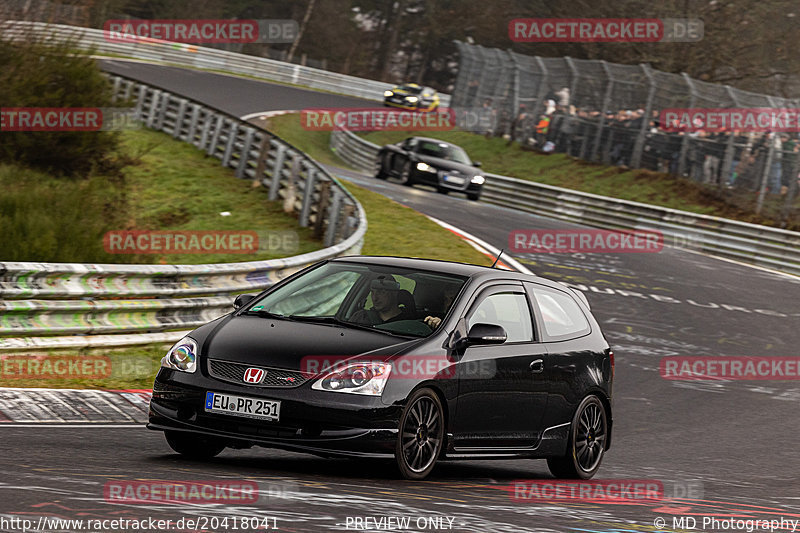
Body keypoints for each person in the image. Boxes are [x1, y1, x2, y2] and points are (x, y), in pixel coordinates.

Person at [350, 277, 415, 326]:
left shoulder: (409, 323)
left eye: (382, 292)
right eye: (372, 292)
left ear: (395, 293)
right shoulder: (361, 317)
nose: (375, 298)